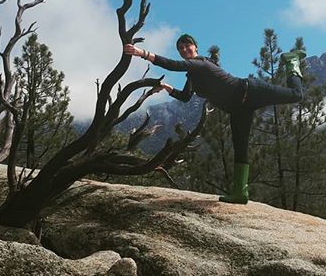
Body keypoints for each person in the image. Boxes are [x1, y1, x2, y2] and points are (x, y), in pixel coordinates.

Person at [123, 33, 305, 204]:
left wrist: (143, 53)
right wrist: (166, 87)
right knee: (240, 146)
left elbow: (174, 65)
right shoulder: (193, 75)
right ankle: (240, 192)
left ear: (195, 47)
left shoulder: (201, 63)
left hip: (251, 90)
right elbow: (186, 97)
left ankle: (292, 62)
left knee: (296, 95)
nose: (184, 50)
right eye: (181, 48)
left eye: (187, 46)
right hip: (239, 109)